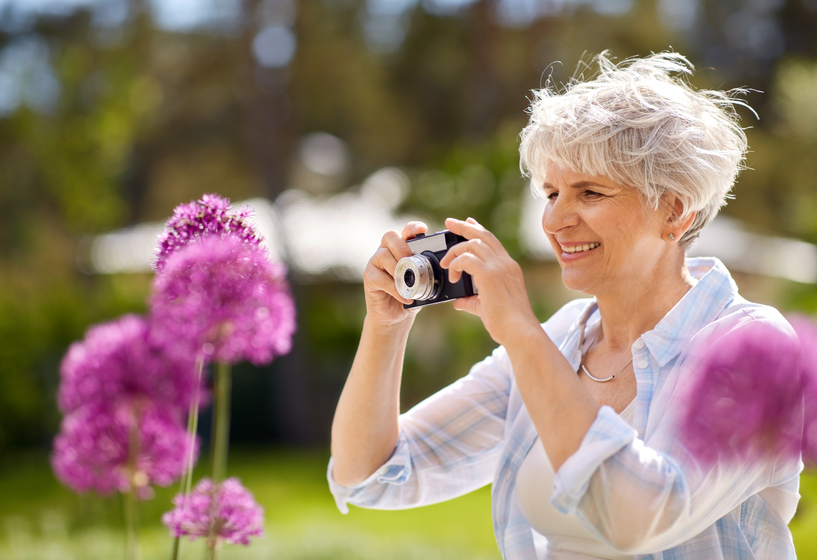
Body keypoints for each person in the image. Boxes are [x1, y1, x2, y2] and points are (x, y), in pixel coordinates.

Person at [327, 51, 802, 560]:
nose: (554, 220)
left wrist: (519, 330)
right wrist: (386, 325)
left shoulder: (754, 349)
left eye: (590, 192)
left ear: (675, 211)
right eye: (552, 192)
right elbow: (372, 474)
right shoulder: (559, 339)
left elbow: (638, 516)